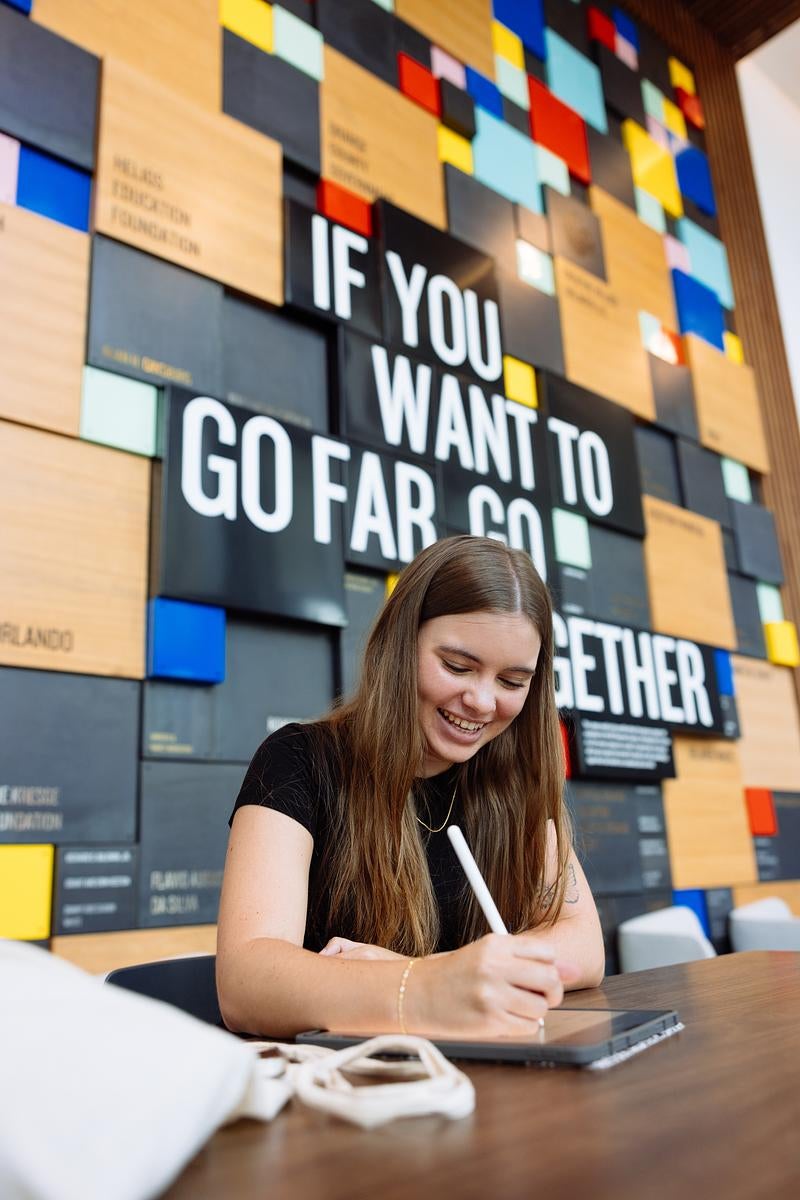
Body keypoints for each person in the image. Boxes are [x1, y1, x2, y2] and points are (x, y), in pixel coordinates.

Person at [217, 535, 604, 1038]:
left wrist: (433, 974)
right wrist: (428, 985)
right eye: (458, 667)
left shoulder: (515, 778)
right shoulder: (298, 760)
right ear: (401, 644)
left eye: (512, 682)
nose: (483, 702)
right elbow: (245, 982)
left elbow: (584, 945)